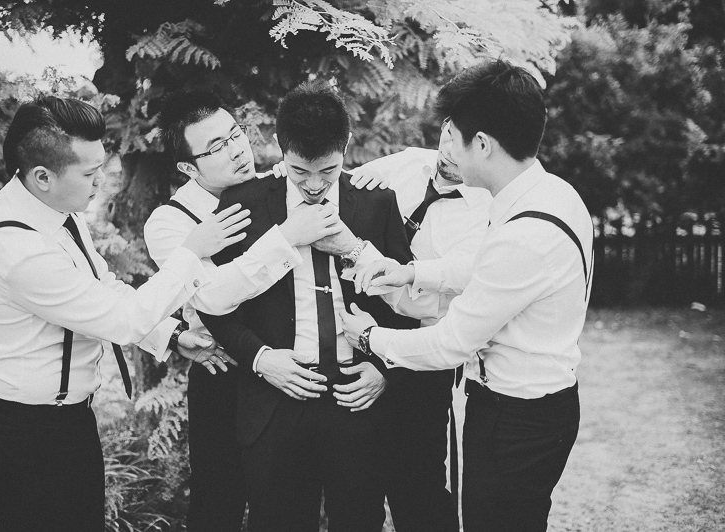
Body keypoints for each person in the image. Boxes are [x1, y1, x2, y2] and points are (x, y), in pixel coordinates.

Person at [0, 95, 253, 532]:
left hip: (69, 417)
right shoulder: (20, 251)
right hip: (25, 427)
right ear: (42, 176)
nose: (102, 180)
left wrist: (171, 335)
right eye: (89, 173)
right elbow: (121, 321)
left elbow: (103, 286)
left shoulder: (54, 208)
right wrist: (191, 252)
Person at [342, 59, 594, 532]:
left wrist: (371, 338)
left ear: (481, 144)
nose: (444, 147)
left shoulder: (524, 234)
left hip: (514, 419)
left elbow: (450, 343)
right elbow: (487, 271)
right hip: (541, 403)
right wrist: (411, 272)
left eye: (452, 135)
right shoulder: (554, 194)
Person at [199, 80, 418, 532]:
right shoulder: (243, 205)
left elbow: (404, 304)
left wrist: (384, 368)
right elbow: (213, 303)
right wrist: (260, 358)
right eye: (300, 171)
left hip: (356, 398)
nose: (315, 185)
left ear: (346, 146)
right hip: (275, 401)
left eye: (328, 171)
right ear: (281, 148)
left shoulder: (377, 203)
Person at [143, 90, 343, 531]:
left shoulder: (279, 184)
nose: (237, 150)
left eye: (235, 135)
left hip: (290, 369)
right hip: (225, 371)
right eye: (216, 147)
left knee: (289, 507)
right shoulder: (170, 222)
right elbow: (211, 296)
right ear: (188, 168)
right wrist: (285, 237)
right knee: (218, 501)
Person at [347, 122, 492, 532]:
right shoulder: (408, 163)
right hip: (358, 340)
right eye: (448, 134)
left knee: (417, 489)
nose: (449, 151)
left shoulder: (489, 211)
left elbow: (435, 297)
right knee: (357, 488)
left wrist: (364, 256)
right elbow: (335, 185)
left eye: (463, 144)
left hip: (424, 359)